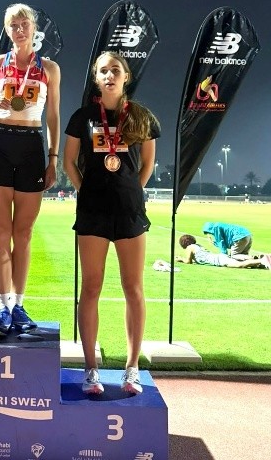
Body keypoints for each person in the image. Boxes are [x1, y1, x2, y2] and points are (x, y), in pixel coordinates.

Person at [63, 51, 160, 396]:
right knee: (91, 287)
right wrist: (85, 190)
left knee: (133, 288)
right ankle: (91, 369)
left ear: (126, 77)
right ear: (96, 78)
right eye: (103, 70)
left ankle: (132, 368)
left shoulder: (141, 116)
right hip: (93, 211)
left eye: (115, 70)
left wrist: (131, 190)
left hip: (130, 211)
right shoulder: (83, 117)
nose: (109, 75)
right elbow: (69, 162)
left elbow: (147, 163)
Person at [0, 3, 60, 337]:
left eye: (24, 24)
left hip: (31, 147)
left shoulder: (49, 68)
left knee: (23, 234)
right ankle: (2, 307)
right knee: (0, 234)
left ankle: (19, 304)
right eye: (13, 25)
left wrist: (52, 158)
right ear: (7, 30)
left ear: (34, 28)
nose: (19, 29)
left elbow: (53, 115)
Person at [176, 234, 263, 268]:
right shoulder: (198, 246)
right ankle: (258, 262)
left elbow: (188, 261)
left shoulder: (190, 247)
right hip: (218, 257)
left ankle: (262, 260)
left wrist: (181, 259)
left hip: (218, 260)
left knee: (239, 265)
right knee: (240, 262)